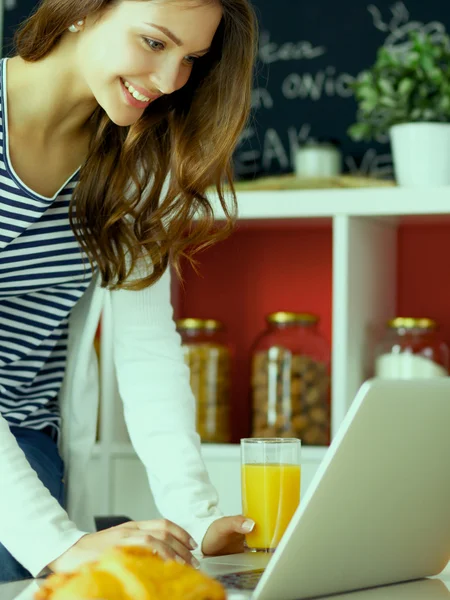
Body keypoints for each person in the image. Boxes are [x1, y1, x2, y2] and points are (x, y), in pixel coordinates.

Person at [0, 0, 257, 583]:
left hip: (25, 436)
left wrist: (196, 514)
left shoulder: (133, 154)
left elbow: (146, 345)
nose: (170, 81)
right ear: (81, 11)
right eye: (154, 43)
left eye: (191, 58)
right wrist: (59, 544)